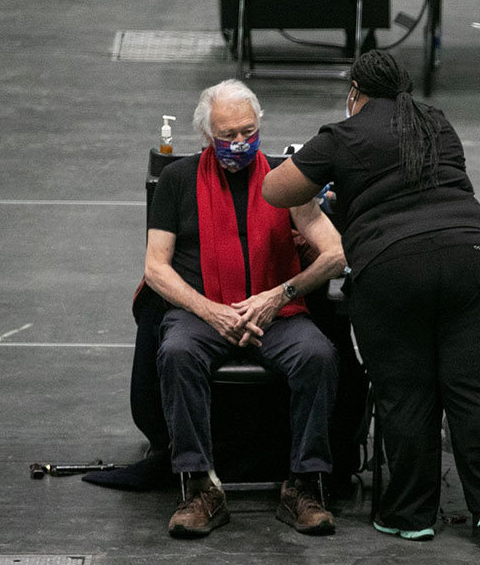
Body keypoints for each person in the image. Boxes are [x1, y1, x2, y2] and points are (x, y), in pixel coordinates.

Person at [262, 50, 480, 544]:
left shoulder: (341, 135)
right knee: (479, 393)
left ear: (355, 92)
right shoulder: (435, 122)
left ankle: (410, 515)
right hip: (474, 259)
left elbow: (276, 190)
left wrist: (327, 188)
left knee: (406, 394)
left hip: (393, 268)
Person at [144, 79, 346, 538]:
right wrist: (210, 311)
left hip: (273, 313)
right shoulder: (177, 181)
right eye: (227, 135)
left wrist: (280, 296)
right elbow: (156, 268)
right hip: (202, 314)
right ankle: (199, 487)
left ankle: (304, 484)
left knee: (318, 356)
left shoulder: (286, 179)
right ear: (206, 137)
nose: (239, 143)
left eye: (247, 131)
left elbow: (335, 252)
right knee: (176, 354)